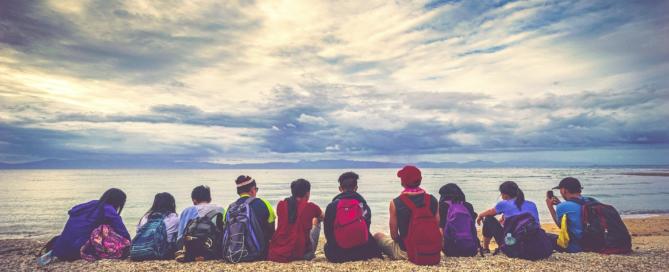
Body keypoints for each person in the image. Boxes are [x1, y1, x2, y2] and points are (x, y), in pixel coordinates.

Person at [38, 188, 131, 265]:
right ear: (118, 202)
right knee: (106, 229)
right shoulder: (108, 209)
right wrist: (129, 244)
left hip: (60, 248)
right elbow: (121, 230)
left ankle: (57, 252)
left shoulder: (91, 204)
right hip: (78, 251)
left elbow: (72, 211)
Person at [374, 166, 440, 262]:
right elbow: (437, 226)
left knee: (378, 236)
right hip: (432, 250)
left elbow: (394, 235)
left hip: (407, 252)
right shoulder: (433, 200)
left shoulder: (396, 203)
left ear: (403, 182)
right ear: (420, 180)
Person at [324, 171, 383, 262]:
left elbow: (328, 234)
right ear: (356, 188)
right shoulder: (363, 205)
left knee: (327, 247)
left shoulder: (331, 206)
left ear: (340, 188)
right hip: (363, 253)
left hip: (337, 255)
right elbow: (366, 229)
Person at [222, 175, 276, 261]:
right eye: (256, 189)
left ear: (238, 192)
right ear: (252, 190)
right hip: (260, 254)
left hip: (233, 254)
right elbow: (271, 231)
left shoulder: (229, 208)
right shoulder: (264, 203)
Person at [268, 179, 324, 262]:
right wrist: (314, 220)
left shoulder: (281, 205)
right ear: (307, 193)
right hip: (301, 254)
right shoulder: (311, 207)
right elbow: (323, 216)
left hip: (277, 252)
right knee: (317, 220)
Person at [476, 181, 540, 253]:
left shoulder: (504, 204)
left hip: (512, 243)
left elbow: (490, 212)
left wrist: (480, 215)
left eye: (501, 194)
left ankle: (486, 248)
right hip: (533, 240)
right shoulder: (532, 204)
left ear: (505, 194)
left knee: (488, 219)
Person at [133, 192, 180, 259]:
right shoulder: (174, 218)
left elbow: (138, 231)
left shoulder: (145, 217)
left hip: (137, 251)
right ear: (171, 204)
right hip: (162, 253)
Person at [439, 183, 480, 257]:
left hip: (450, 251)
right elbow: (472, 228)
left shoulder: (442, 206)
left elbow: (441, 229)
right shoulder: (468, 206)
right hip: (471, 249)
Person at [546, 177, 585, 253]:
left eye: (560, 190)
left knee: (544, 235)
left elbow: (560, 225)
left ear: (564, 190)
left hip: (575, 247)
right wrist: (560, 204)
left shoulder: (563, 206)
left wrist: (550, 206)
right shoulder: (590, 200)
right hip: (593, 244)